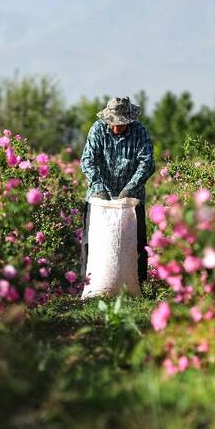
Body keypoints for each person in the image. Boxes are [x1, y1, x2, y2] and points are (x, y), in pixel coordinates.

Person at [79, 96, 155, 291]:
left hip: (131, 199)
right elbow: (87, 160)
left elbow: (147, 163)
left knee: (135, 242)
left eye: (120, 124)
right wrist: (98, 186)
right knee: (92, 242)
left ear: (129, 120)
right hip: (99, 198)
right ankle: (88, 285)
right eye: (112, 123)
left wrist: (130, 188)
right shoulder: (97, 129)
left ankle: (137, 285)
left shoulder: (140, 132)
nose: (116, 128)